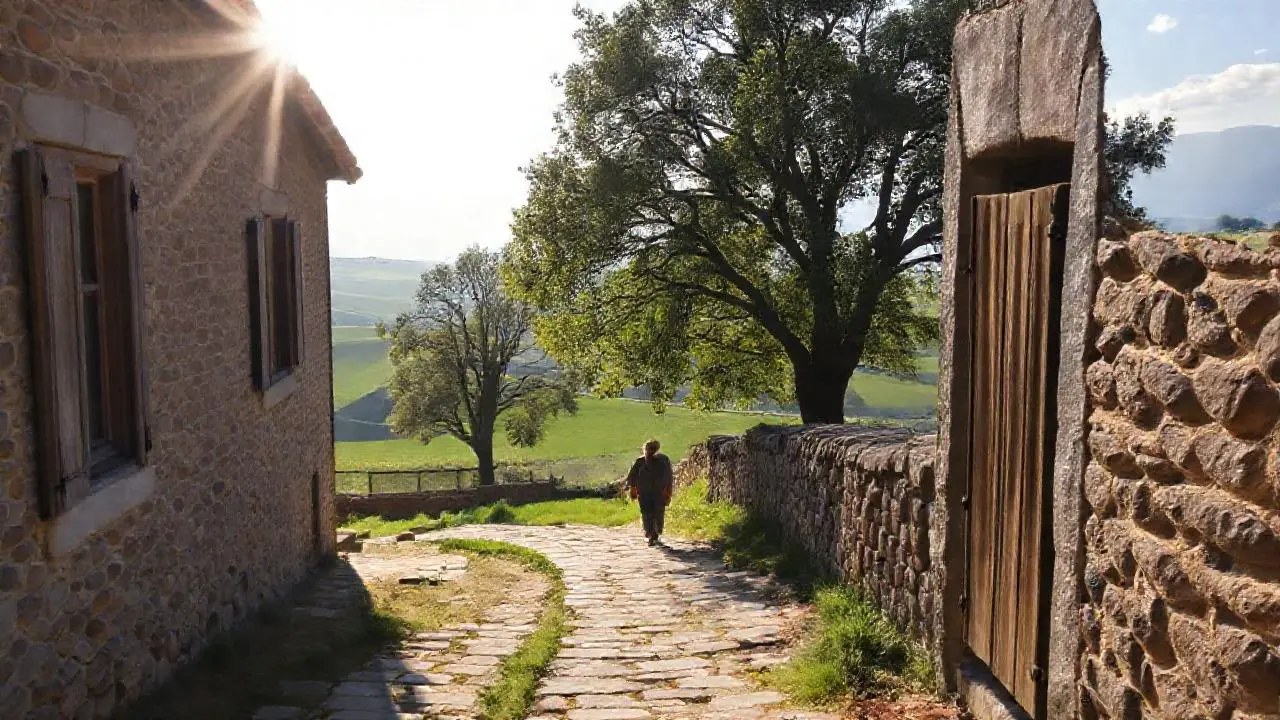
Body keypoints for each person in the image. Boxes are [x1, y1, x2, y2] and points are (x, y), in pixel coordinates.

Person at [625, 439, 673, 546]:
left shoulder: (660, 461)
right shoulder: (643, 461)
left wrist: (632, 489)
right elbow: (632, 477)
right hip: (650, 492)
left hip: (653, 492)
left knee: (652, 512)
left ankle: (652, 532)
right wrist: (668, 491)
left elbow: (668, 477)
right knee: (653, 512)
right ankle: (653, 532)